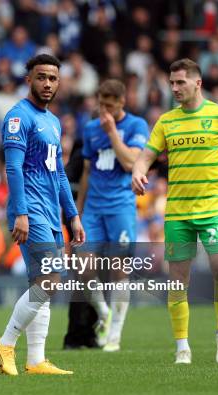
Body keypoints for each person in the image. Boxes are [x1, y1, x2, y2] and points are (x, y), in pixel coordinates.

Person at [132, 58, 218, 364]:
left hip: (214, 208)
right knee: (178, 281)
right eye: (172, 83)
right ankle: (182, 348)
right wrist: (138, 171)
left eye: (180, 82)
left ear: (197, 83)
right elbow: (145, 156)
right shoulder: (166, 122)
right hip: (178, 212)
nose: (174, 88)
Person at [0, 54, 85, 376]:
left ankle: (36, 360)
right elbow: (13, 166)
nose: (47, 83)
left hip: (50, 212)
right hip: (30, 211)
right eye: (41, 77)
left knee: (41, 283)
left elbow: (58, 173)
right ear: (28, 79)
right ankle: (5, 342)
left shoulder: (54, 122)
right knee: (50, 280)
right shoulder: (18, 117)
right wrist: (20, 212)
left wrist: (72, 216)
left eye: (53, 78)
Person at [77, 79, 149, 352]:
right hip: (93, 208)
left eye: (109, 105)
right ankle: (105, 313)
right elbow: (86, 171)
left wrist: (113, 134)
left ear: (122, 102)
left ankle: (115, 334)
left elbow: (131, 163)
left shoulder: (136, 126)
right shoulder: (90, 128)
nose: (104, 110)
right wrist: (78, 212)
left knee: (120, 270)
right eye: (101, 104)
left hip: (121, 206)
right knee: (83, 266)